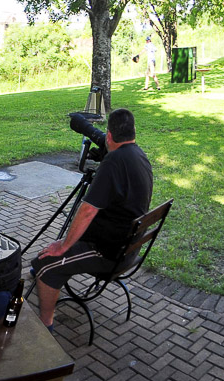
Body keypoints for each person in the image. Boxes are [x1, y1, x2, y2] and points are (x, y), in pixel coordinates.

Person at [30, 108, 153, 331]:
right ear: (133, 132)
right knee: (54, 254)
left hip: (109, 253)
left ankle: (44, 326)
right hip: (129, 246)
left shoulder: (114, 162)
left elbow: (87, 211)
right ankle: (48, 274)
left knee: (45, 265)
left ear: (108, 136)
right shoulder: (139, 155)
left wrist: (64, 246)